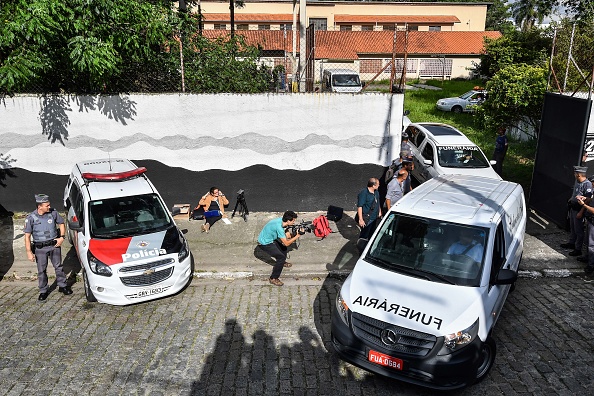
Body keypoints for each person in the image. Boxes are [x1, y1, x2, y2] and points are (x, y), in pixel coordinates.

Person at [24, 194, 72, 301]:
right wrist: (28, 252)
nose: (49, 207)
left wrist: (62, 237)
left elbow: (61, 223)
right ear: (39, 206)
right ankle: (43, 291)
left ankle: (62, 286)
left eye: (49, 204)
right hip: (40, 248)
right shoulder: (31, 218)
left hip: (54, 245)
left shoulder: (53, 213)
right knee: (41, 270)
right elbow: (27, 236)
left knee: (58, 266)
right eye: (47, 205)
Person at [257, 211, 302, 286]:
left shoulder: (282, 221)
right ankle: (273, 278)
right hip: (264, 243)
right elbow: (286, 243)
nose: (294, 222)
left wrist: (293, 234)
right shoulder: (279, 227)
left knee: (283, 248)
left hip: (270, 239)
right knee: (280, 257)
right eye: (293, 220)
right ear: (288, 220)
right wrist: (297, 236)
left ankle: (282, 263)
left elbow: (287, 236)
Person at [561, 166, 593, 257]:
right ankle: (572, 243)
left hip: (579, 210)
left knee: (579, 230)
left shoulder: (587, 184)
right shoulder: (578, 182)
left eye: (575, 173)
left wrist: (581, 212)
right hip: (573, 208)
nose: (574, 175)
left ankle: (578, 248)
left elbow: (587, 200)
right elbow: (575, 193)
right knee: (573, 228)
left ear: (578, 174)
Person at [574, 195, 594, 274]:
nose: (592, 184)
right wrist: (586, 199)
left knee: (592, 245)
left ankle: (591, 265)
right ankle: (587, 257)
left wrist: (583, 205)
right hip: (590, 220)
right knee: (587, 241)